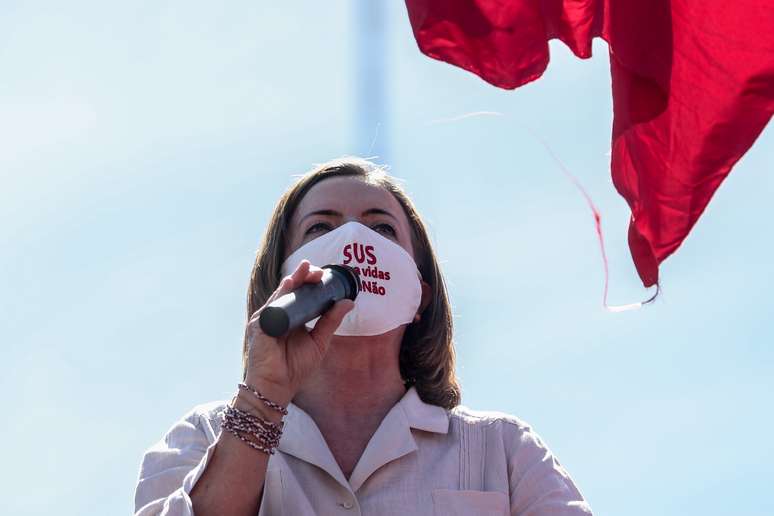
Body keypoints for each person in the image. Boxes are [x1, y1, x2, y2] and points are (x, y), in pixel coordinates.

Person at [133, 157, 593, 516]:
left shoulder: (502, 450)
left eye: (381, 228)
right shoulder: (205, 436)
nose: (355, 242)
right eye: (320, 227)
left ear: (421, 294)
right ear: (280, 278)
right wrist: (260, 402)